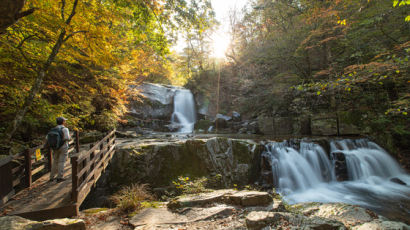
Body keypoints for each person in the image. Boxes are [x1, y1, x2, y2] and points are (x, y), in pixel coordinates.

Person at [49, 117, 70, 182]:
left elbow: (47, 138)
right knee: (61, 161)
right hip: (63, 147)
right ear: (63, 122)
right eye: (65, 121)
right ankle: (59, 177)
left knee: (55, 161)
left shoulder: (53, 129)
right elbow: (67, 138)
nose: (65, 122)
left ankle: (52, 177)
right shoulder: (65, 129)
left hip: (55, 147)